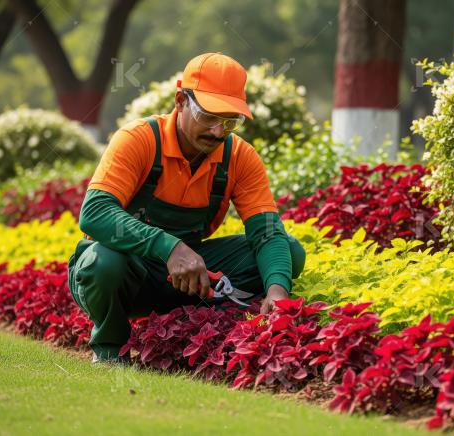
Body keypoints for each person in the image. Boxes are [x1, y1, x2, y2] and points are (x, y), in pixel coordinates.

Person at [67, 53, 306, 364]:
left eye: (229, 121)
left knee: (288, 251)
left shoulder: (239, 157)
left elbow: (268, 233)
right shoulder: (138, 139)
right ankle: (111, 348)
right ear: (180, 100)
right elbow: (95, 213)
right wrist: (169, 248)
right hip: (129, 276)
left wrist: (277, 291)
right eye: (208, 116)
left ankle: (199, 329)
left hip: (190, 278)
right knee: (104, 262)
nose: (218, 132)